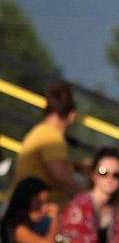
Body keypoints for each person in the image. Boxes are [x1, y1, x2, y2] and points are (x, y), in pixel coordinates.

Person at [8, 81, 84, 209]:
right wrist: (91, 199)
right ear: (71, 116)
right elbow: (61, 177)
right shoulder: (52, 137)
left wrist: (78, 165)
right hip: (37, 212)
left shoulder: (40, 132)